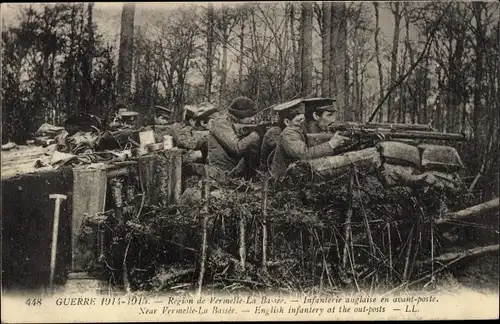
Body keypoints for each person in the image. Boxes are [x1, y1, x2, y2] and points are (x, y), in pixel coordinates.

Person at [269, 101, 349, 178]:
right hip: (283, 182)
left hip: (297, 177)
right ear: (287, 122)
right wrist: (331, 145)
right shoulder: (288, 133)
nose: (302, 123)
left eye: (303, 119)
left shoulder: (300, 131)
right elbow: (303, 155)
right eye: (298, 120)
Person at [207, 96, 263, 182]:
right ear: (241, 115)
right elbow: (236, 148)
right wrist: (255, 135)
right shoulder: (220, 123)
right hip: (220, 175)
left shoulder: (237, 123)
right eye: (250, 116)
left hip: (236, 174)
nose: (252, 119)